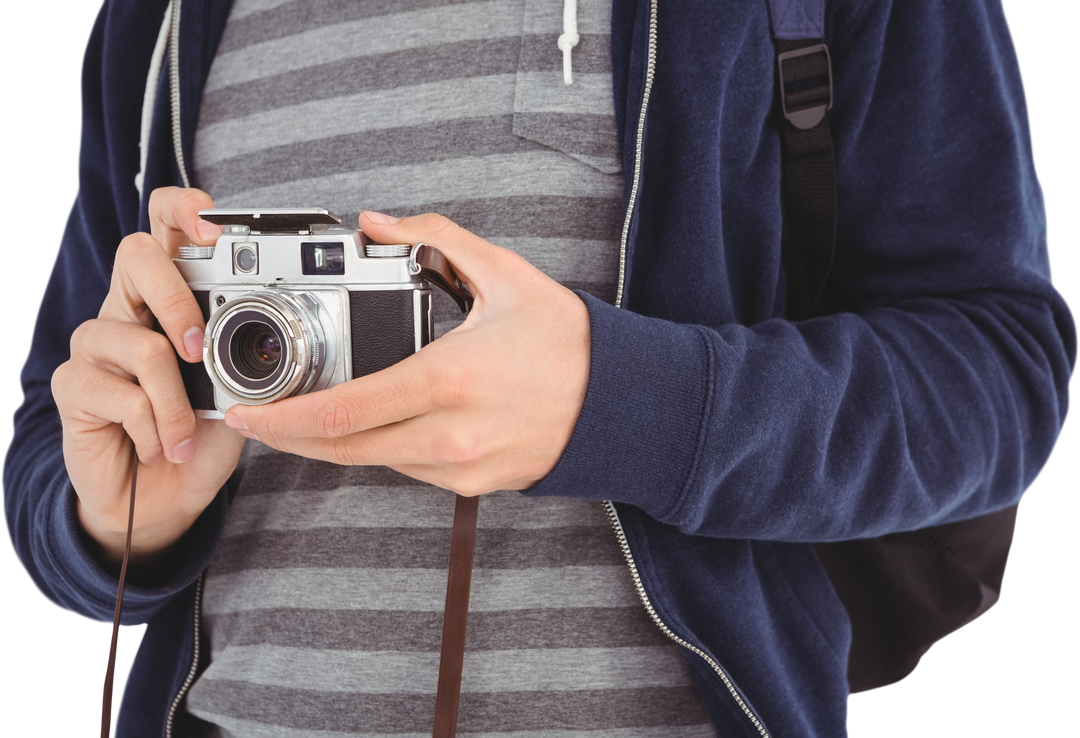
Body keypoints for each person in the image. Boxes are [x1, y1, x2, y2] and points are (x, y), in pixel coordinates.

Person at [3, 0, 1075, 735]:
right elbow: (52, 440)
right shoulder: (155, 22)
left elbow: (1000, 372)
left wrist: (622, 404)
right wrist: (118, 521)